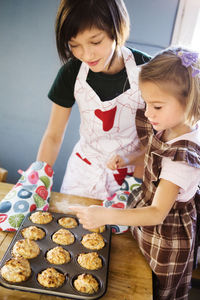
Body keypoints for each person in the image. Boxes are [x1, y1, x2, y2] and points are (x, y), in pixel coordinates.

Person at [70, 47, 200, 299]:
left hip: (165, 239)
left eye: (157, 106)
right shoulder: (173, 126)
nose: (149, 112)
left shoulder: (181, 160)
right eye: (146, 103)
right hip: (149, 224)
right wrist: (128, 160)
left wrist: (106, 215)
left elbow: (156, 213)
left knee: (151, 288)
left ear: (190, 102)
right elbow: (154, 155)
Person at [36, 0, 151, 200]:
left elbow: (160, 142)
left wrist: (134, 169)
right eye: (74, 45)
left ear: (117, 29)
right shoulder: (71, 72)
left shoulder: (148, 71)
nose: (86, 54)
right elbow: (53, 135)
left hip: (129, 176)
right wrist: (37, 180)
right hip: (82, 174)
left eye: (95, 42)